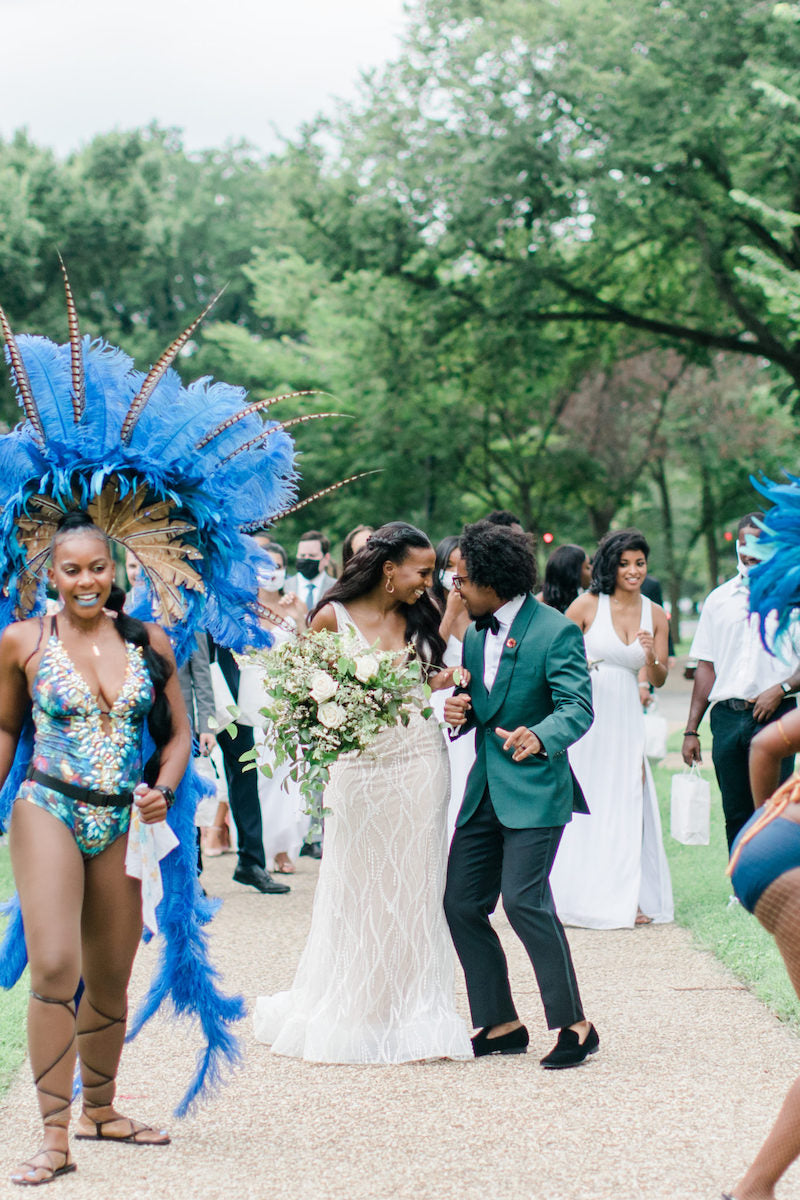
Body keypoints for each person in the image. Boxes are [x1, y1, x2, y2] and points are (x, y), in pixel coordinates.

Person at [1, 512, 192, 1185]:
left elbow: (176, 736)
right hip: (46, 805)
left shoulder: (148, 640)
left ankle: (102, 1110)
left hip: (123, 820)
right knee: (56, 967)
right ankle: (55, 1136)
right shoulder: (22, 640)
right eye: (71, 569)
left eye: (97, 567)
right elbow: (4, 729)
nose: (86, 580)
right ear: (49, 575)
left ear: (118, 571)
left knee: (110, 973)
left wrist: (163, 789)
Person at [253, 521, 472, 1063]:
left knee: (417, 882)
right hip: (357, 770)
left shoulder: (423, 613)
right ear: (389, 569)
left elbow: (430, 675)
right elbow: (299, 694)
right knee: (357, 882)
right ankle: (360, 1005)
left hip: (420, 760)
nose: (430, 581)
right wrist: (330, 723)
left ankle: (414, 1008)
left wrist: (445, 684)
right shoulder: (332, 617)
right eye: (423, 572)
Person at [443, 521, 598, 1068]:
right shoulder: (472, 633)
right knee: (460, 903)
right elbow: (479, 705)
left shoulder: (555, 631)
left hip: (535, 789)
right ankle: (503, 1022)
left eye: (460, 579)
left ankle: (575, 1025)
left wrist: (541, 735)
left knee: (524, 901)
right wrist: (459, 714)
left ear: (492, 580)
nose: (453, 587)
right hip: (484, 789)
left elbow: (577, 708)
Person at [550, 528, 674, 928]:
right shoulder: (586, 605)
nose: (633, 571)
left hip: (626, 715)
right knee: (588, 798)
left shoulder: (654, 613)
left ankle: (625, 896)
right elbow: (554, 657)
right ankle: (577, 894)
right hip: (588, 713)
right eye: (625, 563)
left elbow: (658, 679)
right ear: (611, 566)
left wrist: (652, 656)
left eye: (639, 563)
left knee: (627, 799)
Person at [682, 513, 800, 852]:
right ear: (736, 544)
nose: (750, 551)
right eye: (745, 542)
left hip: (776, 716)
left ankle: (773, 882)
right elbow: (706, 666)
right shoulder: (718, 600)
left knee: (774, 807)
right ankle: (741, 885)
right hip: (727, 719)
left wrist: (781, 689)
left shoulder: (791, 599)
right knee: (735, 811)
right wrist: (692, 729)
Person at [243, 538, 310, 874]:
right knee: (256, 777)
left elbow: (309, 652)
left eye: (276, 567)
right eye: (263, 567)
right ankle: (257, 848)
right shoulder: (241, 608)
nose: (270, 573)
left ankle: (284, 848)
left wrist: (299, 618)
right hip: (248, 701)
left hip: (285, 701)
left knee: (287, 775)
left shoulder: (293, 606)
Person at [431, 535, 474, 834]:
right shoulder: (428, 606)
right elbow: (428, 657)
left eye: (461, 566)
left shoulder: (481, 610)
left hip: (471, 708)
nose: (454, 573)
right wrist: (450, 613)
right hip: (438, 704)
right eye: (448, 566)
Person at [284, 530, 336, 613]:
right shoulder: (283, 588)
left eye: (312, 555)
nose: (306, 559)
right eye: (302, 555)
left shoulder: (336, 588)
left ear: (326, 558)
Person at [538, 544, 591, 614]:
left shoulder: (584, 598)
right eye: (587, 567)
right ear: (574, 573)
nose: (592, 570)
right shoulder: (539, 605)